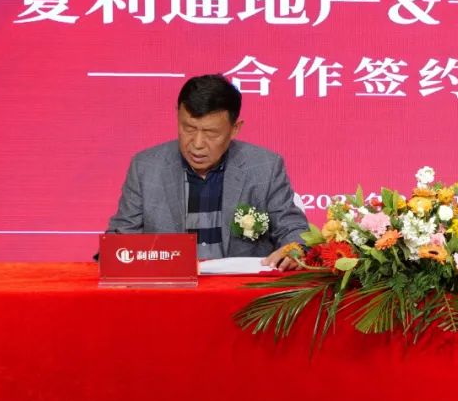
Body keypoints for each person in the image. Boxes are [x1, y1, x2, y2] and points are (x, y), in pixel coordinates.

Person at [107, 74, 308, 270]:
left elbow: (293, 230)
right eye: (189, 128)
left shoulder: (265, 166)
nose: (197, 144)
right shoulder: (146, 167)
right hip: (171, 286)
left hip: (239, 288)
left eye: (211, 133)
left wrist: (294, 250)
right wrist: (112, 254)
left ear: (235, 129)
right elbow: (120, 239)